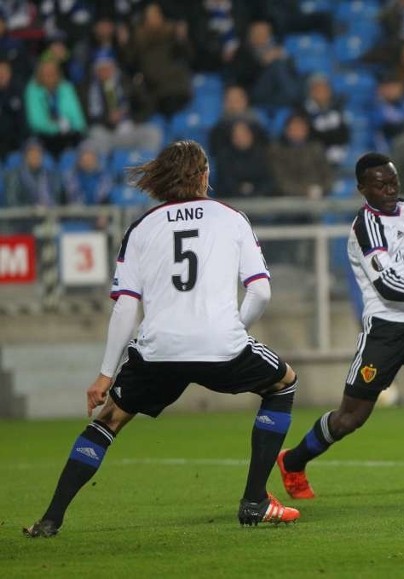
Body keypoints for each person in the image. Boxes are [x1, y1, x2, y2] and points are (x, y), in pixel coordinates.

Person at [23, 140, 301, 538]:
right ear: (204, 175)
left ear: (163, 178)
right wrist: (234, 330)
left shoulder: (142, 227)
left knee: (109, 421)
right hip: (220, 344)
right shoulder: (231, 218)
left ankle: (51, 519)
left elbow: (125, 307)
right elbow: (260, 292)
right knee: (283, 383)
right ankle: (255, 502)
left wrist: (104, 374)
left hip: (158, 349)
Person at [276, 152, 404, 497]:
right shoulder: (364, 228)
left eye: (393, 182)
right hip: (386, 331)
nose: (389, 189)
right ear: (362, 189)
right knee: (350, 418)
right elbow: (388, 286)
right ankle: (293, 461)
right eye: (380, 184)